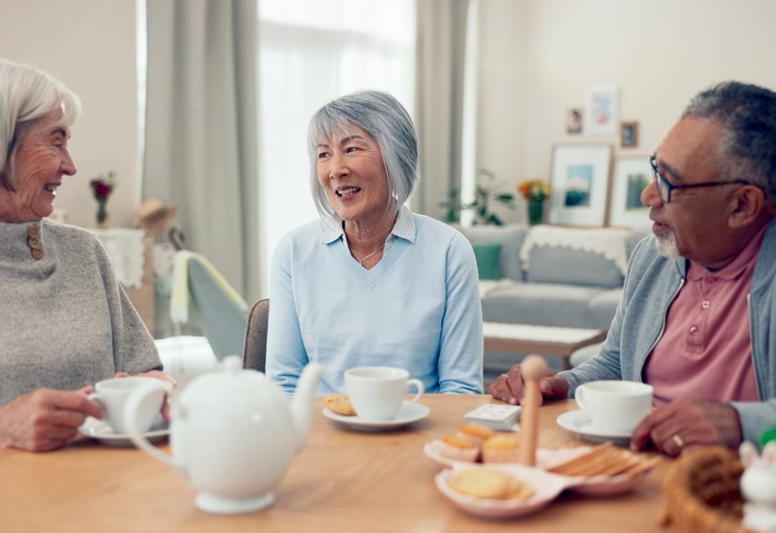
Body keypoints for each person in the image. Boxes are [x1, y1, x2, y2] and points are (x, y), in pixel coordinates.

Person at [490, 81, 776, 456]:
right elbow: (615, 362)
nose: (648, 196)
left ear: (742, 205)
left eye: (670, 182)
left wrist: (740, 422)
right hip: (634, 469)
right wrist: (564, 383)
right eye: (655, 169)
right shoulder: (653, 255)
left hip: (736, 488)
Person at [0, 57, 164, 455]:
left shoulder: (84, 253)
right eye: (56, 142)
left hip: (104, 494)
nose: (71, 166)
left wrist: (155, 389)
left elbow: (143, 368)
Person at [266, 90, 483, 395]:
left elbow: (460, 388)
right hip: (322, 435)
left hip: (418, 434)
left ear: (396, 156)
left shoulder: (449, 251)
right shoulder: (293, 252)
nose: (335, 170)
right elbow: (284, 384)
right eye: (323, 153)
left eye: (351, 148)